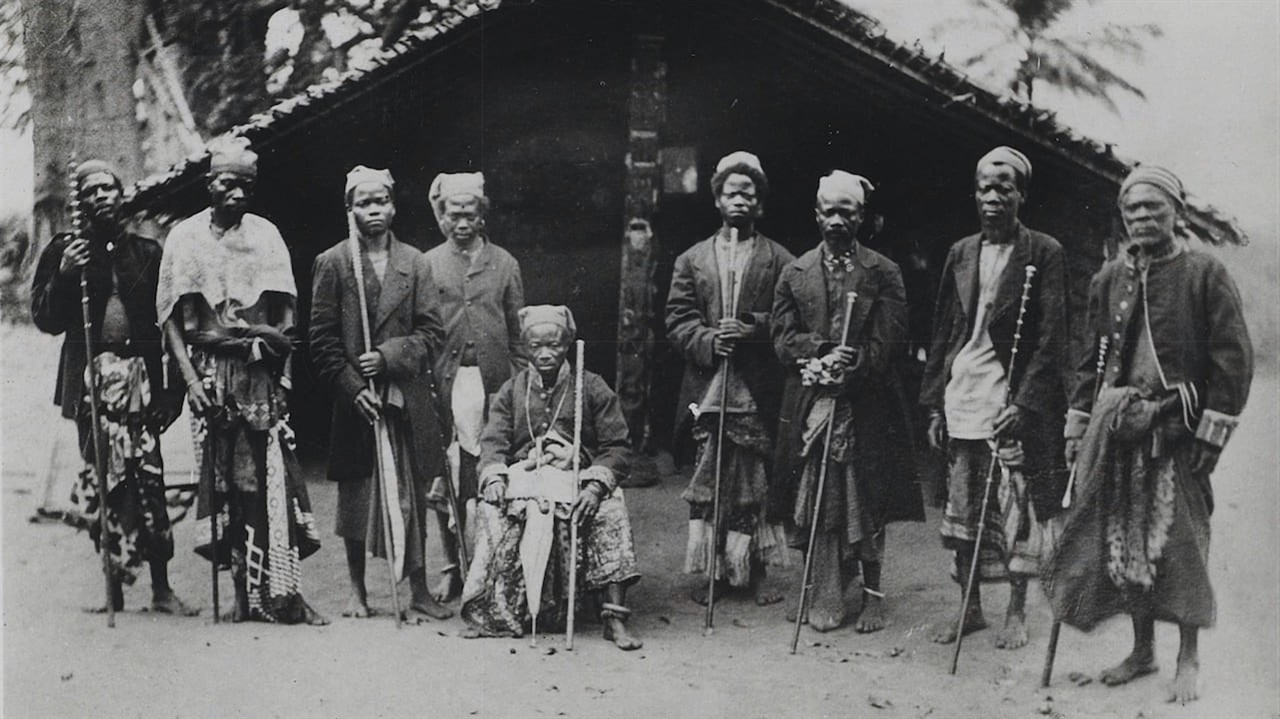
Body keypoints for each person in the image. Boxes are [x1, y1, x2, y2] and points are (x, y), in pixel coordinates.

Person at [1041, 166, 1252, 704]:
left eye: (1153, 208)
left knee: (1180, 543)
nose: (1141, 218)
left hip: (1176, 430)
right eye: (1131, 209)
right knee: (1124, 539)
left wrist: (1210, 433)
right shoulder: (1110, 278)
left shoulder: (1204, 272)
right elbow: (1090, 360)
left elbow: (1232, 358)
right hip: (1119, 430)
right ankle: (1141, 651)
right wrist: (1079, 422)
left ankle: (1187, 656)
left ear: (1177, 214)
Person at [157, 135, 326, 625]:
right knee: (226, 483)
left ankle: (286, 592)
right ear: (209, 184)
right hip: (210, 373)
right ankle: (240, 595)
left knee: (274, 481)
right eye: (228, 185)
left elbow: (287, 316)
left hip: (260, 373)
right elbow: (169, 319)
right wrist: (190, 381)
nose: (237, 196)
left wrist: (287, 377)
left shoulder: (267, 236)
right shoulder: (185, 239)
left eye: (246, 188)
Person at [919, 146, 1069, 649]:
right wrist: (934, 402)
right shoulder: (961, 253)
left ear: (1021, 194)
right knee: (963, 511)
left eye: (1004, 187)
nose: (993, 196)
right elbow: (943, 329)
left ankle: (1017, 613)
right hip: (963, 395)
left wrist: (1024, 405)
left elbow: (1052, 339)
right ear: (974, 194)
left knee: (1016, 510)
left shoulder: (1044, 252)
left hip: (1009, 400)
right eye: (985, 187)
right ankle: (971, 608)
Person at [31, 159, 194, 615]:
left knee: (150, 480)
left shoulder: (146, 253)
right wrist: (64, 273)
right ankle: (114, 588)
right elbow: (45, 318)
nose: (103, 196)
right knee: (105, 483)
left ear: (122, 196)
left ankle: (161, 587)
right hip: (91, 386)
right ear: (81, 202)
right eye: (92, 190)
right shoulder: (67, 251)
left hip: (142, 384)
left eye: (110, 188)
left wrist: (172, 391)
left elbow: (173, 324)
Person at [771, 170, 925, 633]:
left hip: (867, 404)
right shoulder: (794, 273)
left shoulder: (884, 272)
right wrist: (820, 353)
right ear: (816, 215)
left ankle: (873, 598)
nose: (837, 220)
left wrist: (852, 367)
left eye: (847, 211)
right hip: (809, 404)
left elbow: (892, 341)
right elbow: (781, 338)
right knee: (810, 498)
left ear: (863, 217)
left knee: (867, 498)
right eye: (829, 211)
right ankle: (814, 591)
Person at [310, 165, 453, 620]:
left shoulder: (416, 262)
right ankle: (357, 592)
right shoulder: (333, 262)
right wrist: (354, 387)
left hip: (404, 396)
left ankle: (420, 591)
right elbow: (321, 339)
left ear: (393, 206)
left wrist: (389, 356)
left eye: (381, 201)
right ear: (349, 209)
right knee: (357, 494)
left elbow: (433, 332)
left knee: (410, 494)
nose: (374, 210)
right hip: (358, 403)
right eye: (363, 203)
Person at [460, 305, 642, 650]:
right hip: (526, 479)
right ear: (525, 348)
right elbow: (493, 443)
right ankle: (495, 609)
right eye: (536, 347)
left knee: (610, 509)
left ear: (568, 344)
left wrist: (594, 483)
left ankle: (614, 617)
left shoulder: (591, 386)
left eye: (554, 346)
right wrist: (495, 477)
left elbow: (617, 446)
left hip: (578, 477)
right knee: (490, 510)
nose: (545, 354)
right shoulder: (511, 390)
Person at [665, 151, 794, 607]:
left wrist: (753, 328)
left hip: (756, 385)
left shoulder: (780, 260)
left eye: (749, 193)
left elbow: (791, 318)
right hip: (709, 386)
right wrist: (706, 339)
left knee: (753, 477)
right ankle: (716, 571)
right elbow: (676, 319)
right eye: (730, 192)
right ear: (718, 200)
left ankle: (753, 569)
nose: (739, 199)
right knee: (712, 473)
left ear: (759, 202)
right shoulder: (693, 259)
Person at [422, 171, 526, 602]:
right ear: (441, 217)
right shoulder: (427, 263)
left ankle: (493, 565)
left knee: (493, 475)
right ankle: (453, 567)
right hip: (447, 385)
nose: (461, 223)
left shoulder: (504, 263)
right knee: (448, 479)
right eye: (452, 215)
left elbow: (519, 333)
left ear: (482, 216)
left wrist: (517, 385)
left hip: (495, 385)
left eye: (469, 215)